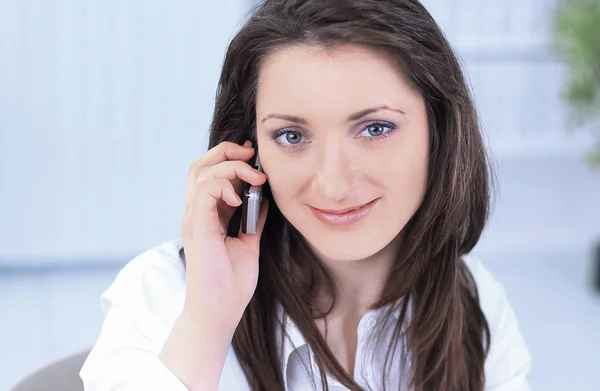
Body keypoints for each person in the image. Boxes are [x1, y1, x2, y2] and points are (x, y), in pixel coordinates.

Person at [79, 0, 532, 390]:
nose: (332, 185)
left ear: (440, 133)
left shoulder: (475, 303)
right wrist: (210, 318)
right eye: (292, 136)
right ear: (249, 151)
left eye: (375, 128)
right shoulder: (164, 296)